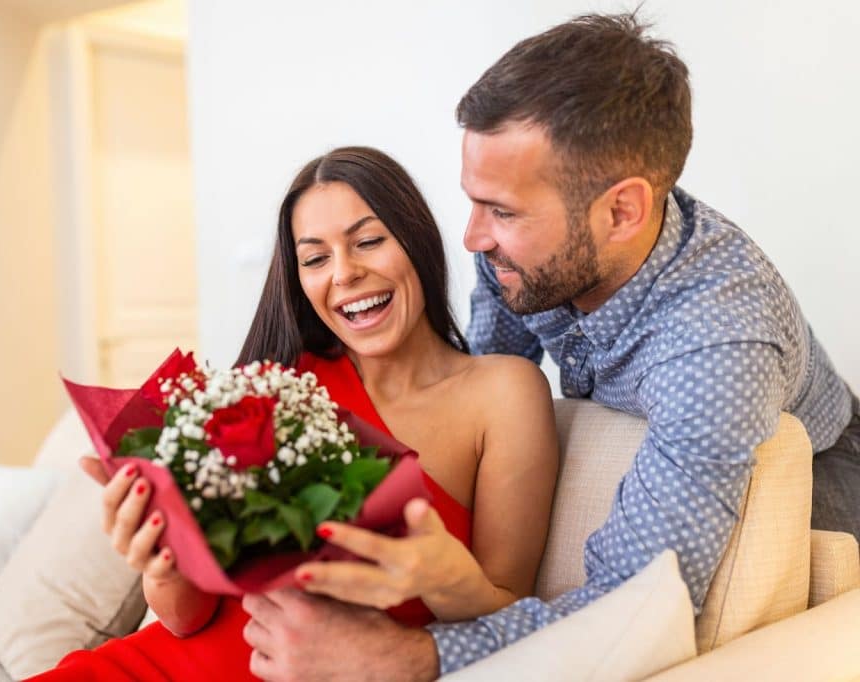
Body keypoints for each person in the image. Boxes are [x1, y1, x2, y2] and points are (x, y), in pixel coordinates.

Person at [241, 12, 860, 681]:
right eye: (474, 202)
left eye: (502, 212)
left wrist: (415, 656)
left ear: (622, 212)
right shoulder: (516, 248)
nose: (472, 238)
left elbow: (632, 605)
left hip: (831, 463)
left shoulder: (716, 346)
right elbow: (482, 386)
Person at [0, 147, 558, 681]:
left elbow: (510, 612)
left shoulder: (503, 392)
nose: (345, 274)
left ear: (418, 240)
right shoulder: (274, 390)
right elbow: (184, 617)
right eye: (314, 258)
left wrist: (437, 575)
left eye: (368, 240)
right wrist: (157, 560)